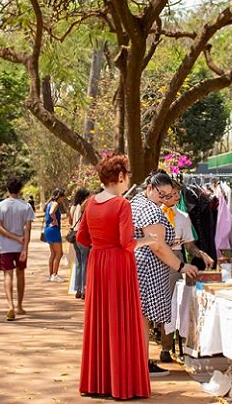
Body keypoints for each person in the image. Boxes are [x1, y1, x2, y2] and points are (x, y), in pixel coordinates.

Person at [76, 153, 159, 399]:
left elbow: (82, 238)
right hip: (118, 265)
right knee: (121, 321)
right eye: (127, 175)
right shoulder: (122, 204)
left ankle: (98, 382)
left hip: (97, 262)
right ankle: (121, 384)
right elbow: (126, 242)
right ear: (120, 176)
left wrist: (101, 243)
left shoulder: (90, 203)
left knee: (99, 320)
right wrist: (146, 240)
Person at [131, 170, 199, 377]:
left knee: (141, 318)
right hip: (147, 269)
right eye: (162, 195)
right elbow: (158, 246)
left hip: (139, 265)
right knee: (143, 317)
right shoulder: (150, 210)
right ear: (150, 188)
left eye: (168, 196)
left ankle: (140, 361)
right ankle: (141, 364)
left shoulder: (136, 202)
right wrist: (180, 266)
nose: (165, 199)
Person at [159, 178, 214, 363]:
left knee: (183, 302)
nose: (176, 197)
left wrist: (202, 254)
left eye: (177, 194)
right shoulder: (155, 214)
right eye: (172, 194)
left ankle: (185, 342)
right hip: (159, 262)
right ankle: (166, 347)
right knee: (166, 304)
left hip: (179, 261)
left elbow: (189, 245)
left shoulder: (182, 217)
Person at [0, 177, 35, 321]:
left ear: (7, 189)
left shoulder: (0, 206)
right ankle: (20, 305)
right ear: (20, 190)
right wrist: (24, 247)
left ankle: (10, 305)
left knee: (8, 275)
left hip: (4, 246)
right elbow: (28, 229)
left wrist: (12, 238)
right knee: (20, 274)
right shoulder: (26, 207)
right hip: (20, 247)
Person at [69, 188, 91, 300]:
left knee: (78, 263)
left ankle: (77, 289)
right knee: (85, 264)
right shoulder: (84, 207)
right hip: (82, 237)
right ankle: (84, 290)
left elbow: (70, 220)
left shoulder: (73, 207)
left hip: (74, 237)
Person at [43, 188, 67, 282]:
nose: (62, 199)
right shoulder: (55, 204)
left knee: (53, 253)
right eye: (62, 197)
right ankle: (55, 274)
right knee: (59, 253)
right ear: (59, 197)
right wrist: (55, 220)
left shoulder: (49, 203)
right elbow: (51, 212)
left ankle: (51, 275)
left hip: (48, 229)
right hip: (54, 230)